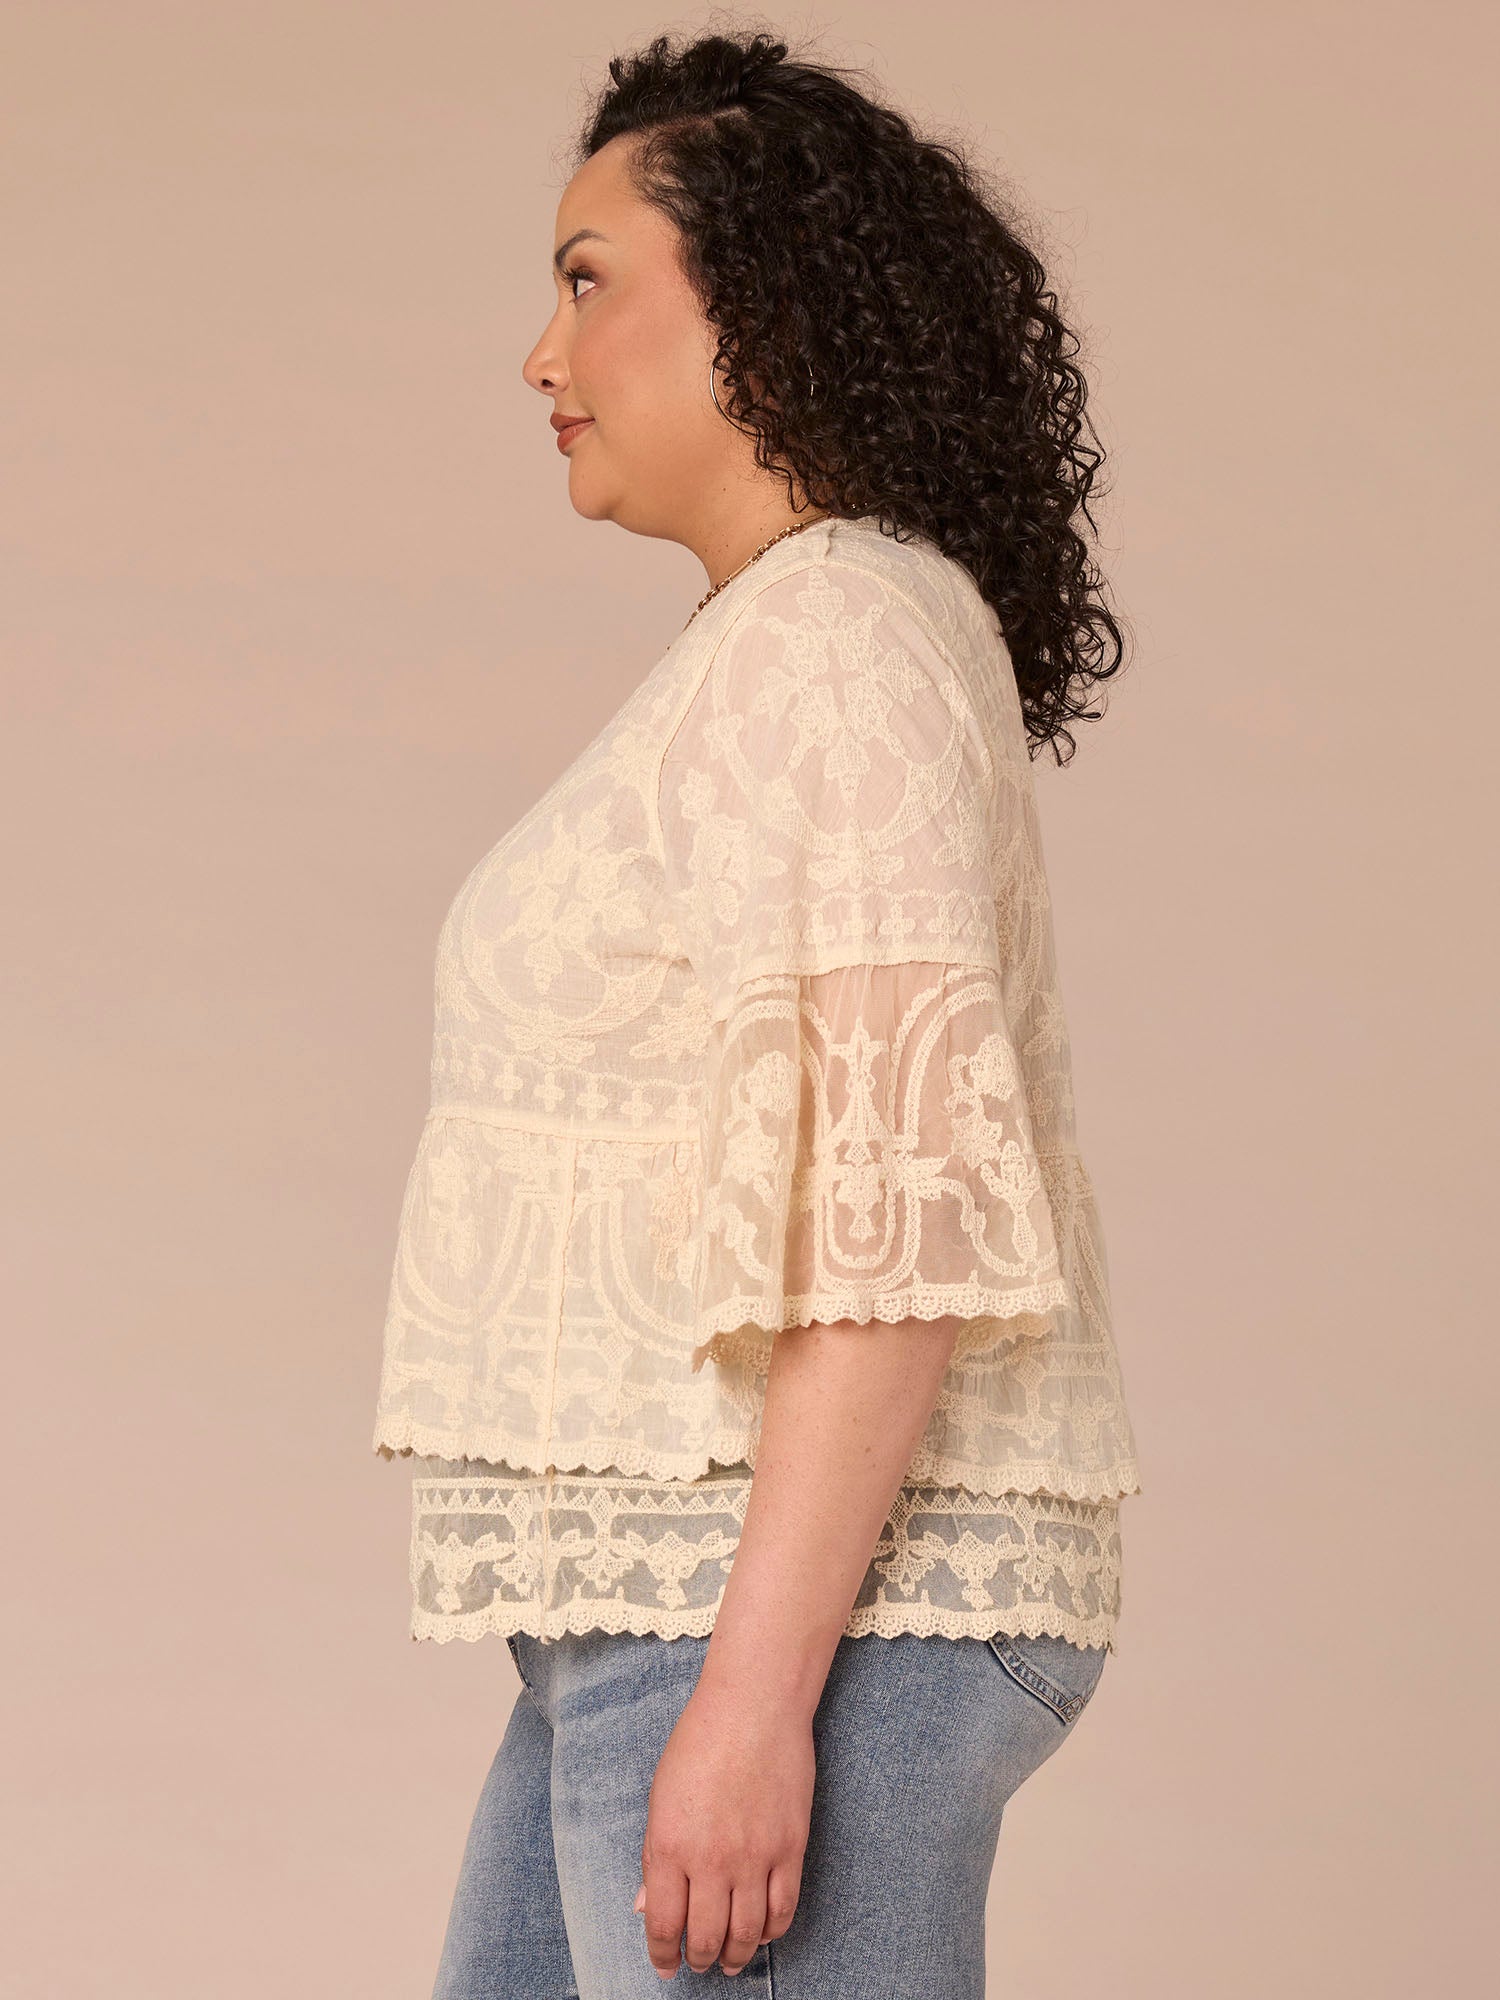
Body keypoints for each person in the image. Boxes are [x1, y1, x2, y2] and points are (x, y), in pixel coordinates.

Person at [370, 28, 1143, 1997]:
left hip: (778, 1620)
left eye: (587, 280)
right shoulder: (783, 641)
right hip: (659, 1612)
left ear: (766, 301)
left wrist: (752, 1699)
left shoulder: (843, 640)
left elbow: (898, 1216)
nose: (541, 357)